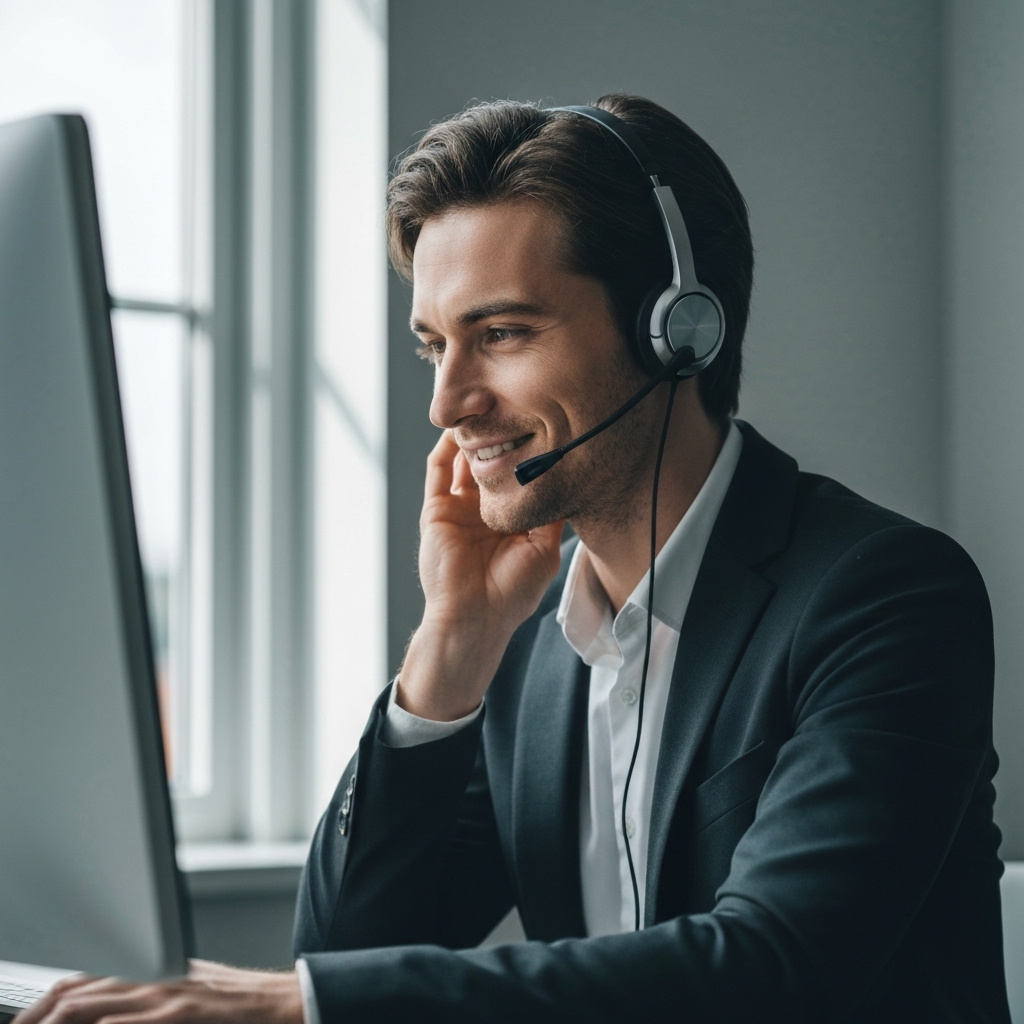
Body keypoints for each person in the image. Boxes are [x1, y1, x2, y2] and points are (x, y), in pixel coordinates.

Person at [19, 95, 1009, 1024]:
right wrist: (452, 644)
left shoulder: (882, 594)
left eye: (498, 333)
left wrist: (297, 1002)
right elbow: (349, 940)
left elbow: (775, 966)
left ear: (676, 330)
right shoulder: (533, 651)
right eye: (431, 346)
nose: (448, 402)